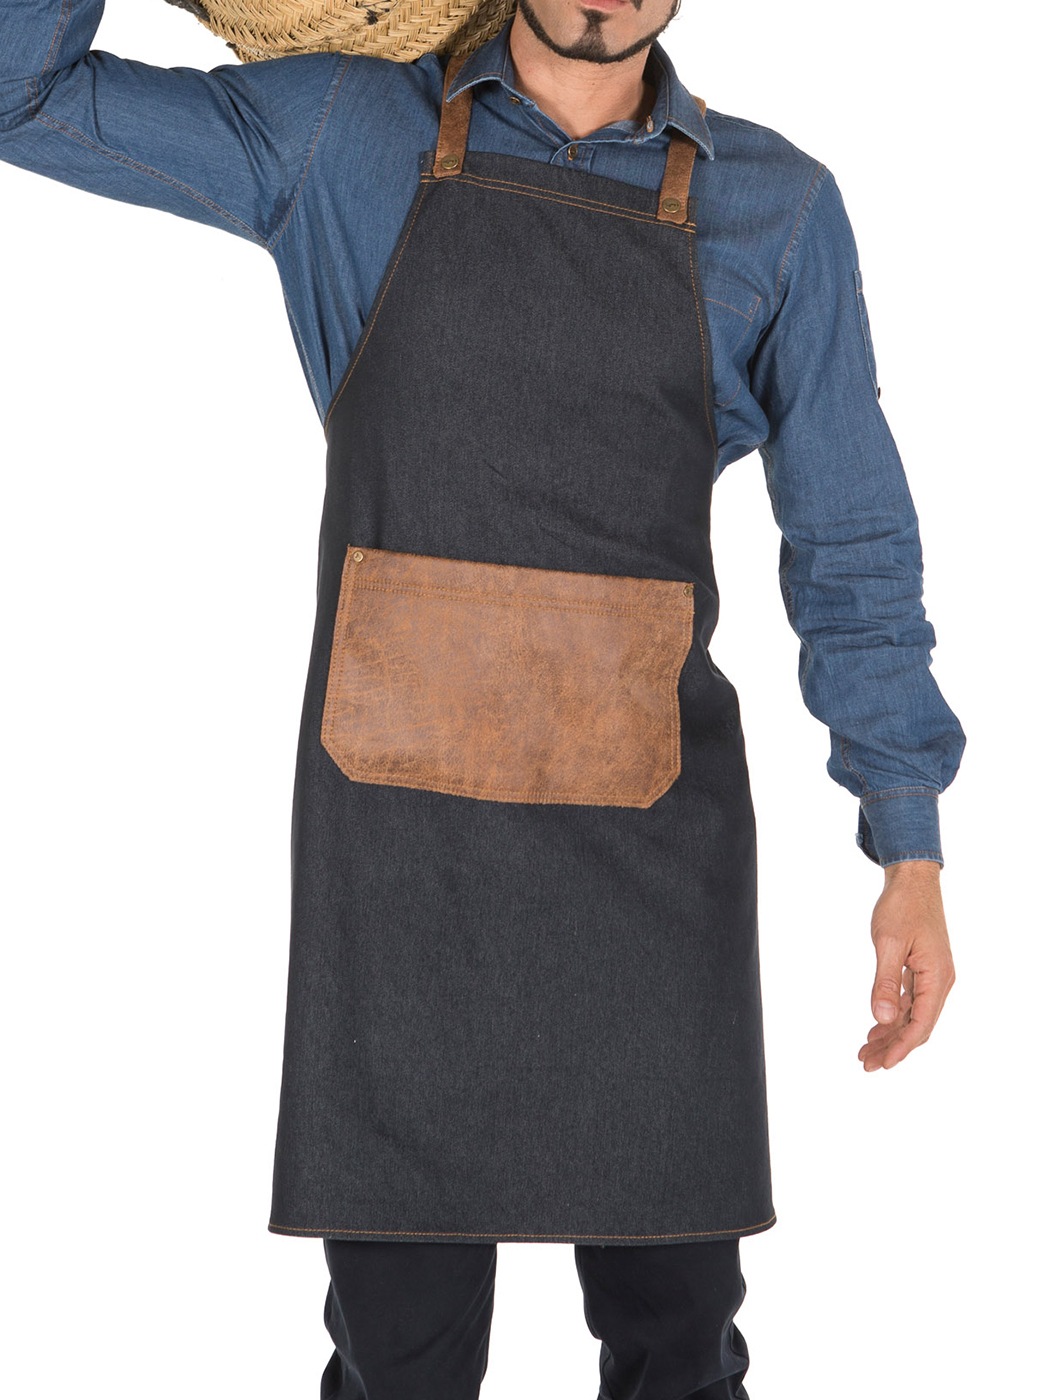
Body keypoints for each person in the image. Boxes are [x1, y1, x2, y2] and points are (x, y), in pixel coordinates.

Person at [0, 1, 965, 1395]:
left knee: (679, 1346)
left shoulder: (780, 212)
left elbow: (851, 542)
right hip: (401, 861)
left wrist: (907, 845)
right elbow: (21, 97)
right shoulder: (343, 136)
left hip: (649, 860)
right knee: (400, 1362)